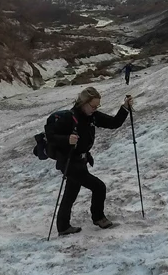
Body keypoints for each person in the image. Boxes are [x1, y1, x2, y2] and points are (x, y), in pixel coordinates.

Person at [44, 87, 132, 236]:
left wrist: (124, 108)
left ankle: (63, 226)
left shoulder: (92, 116)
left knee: (71, 193)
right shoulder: (68, 117)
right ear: (83, 103)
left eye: (97, 106)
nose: (95, 109)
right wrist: (67, 139)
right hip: (70, 162)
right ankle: (98, 218)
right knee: (98, 187)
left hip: (80, 161)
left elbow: (114, 123)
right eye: (93, 106)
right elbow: (50, 137)